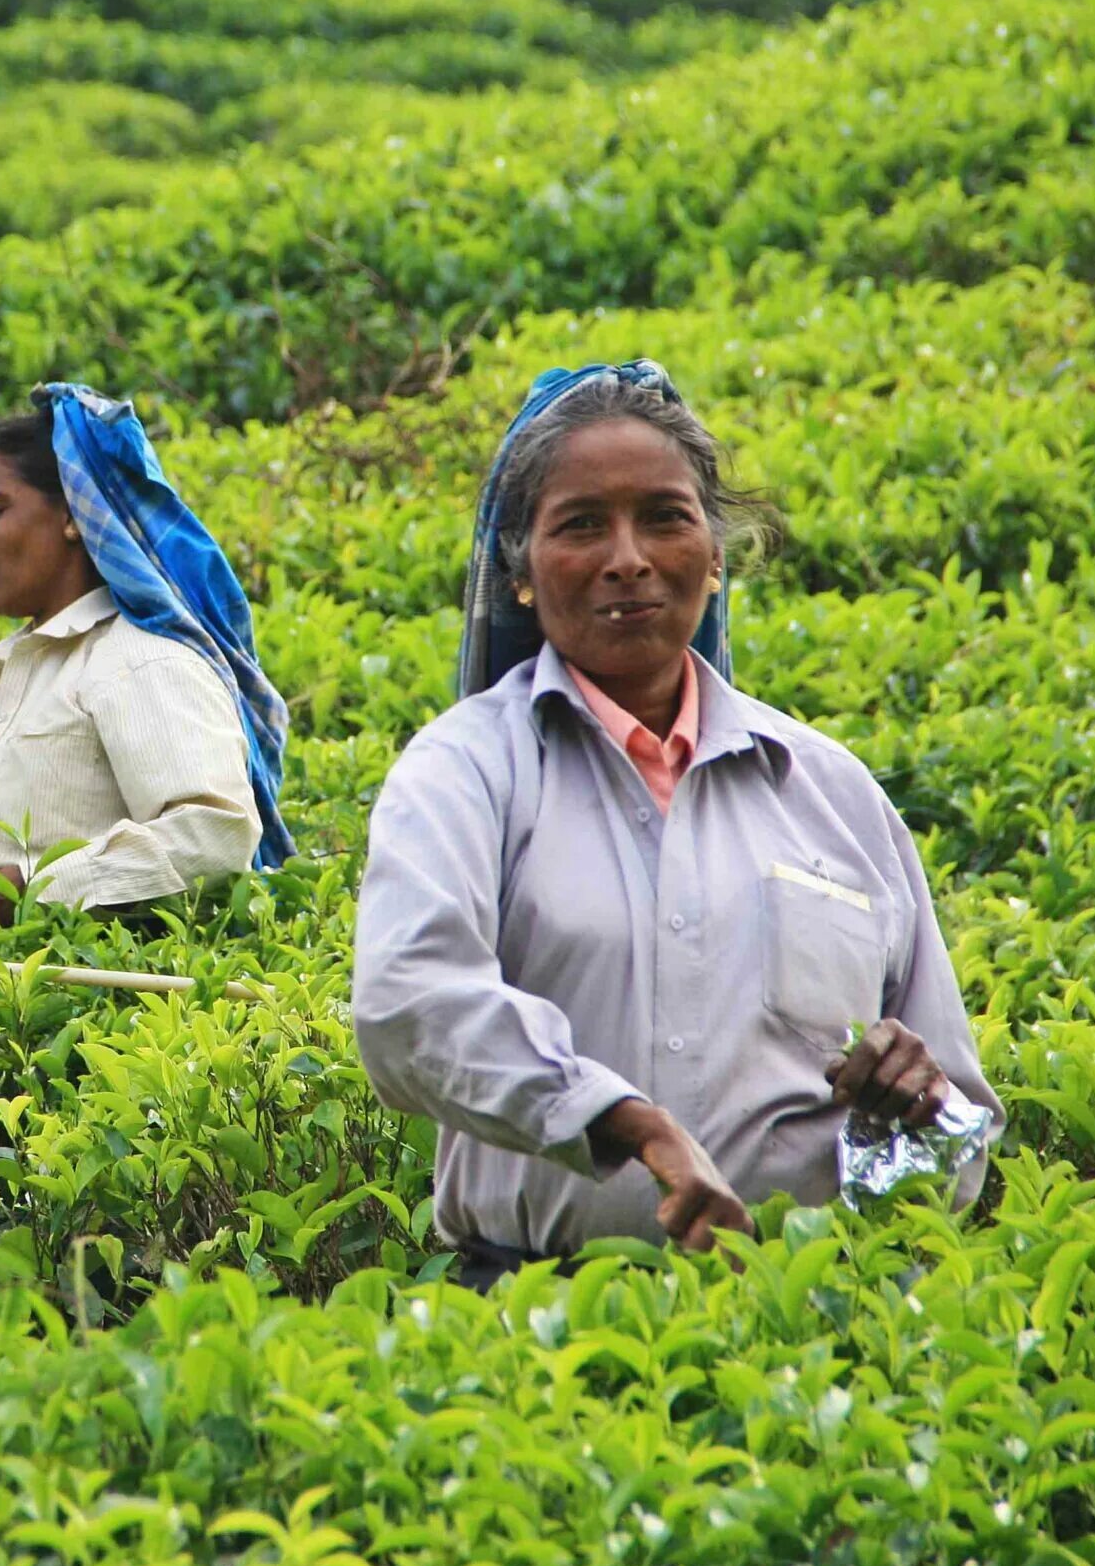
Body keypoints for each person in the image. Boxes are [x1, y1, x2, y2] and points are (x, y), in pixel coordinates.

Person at [351, 361, 1001, 1282]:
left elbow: (961, 1142)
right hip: (537, 1316)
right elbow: (409, 1005)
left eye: (665, 516)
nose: (629, 557)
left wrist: (917, 1109)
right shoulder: (465, 773)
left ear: (718, 550)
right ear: (523, 571)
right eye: (581, 525)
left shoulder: (831, 792)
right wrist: (628, 1123)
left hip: (810, 1320)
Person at [0, 383, 293, 920]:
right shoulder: (13, 675)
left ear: (73, 515)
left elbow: (217, 836)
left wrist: (32, 890)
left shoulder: (139, 662)